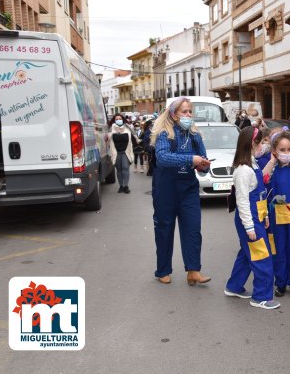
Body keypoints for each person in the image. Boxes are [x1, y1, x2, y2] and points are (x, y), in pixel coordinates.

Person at [150, 97, 212, 286]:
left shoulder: (195, 135)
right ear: (174, 114)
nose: (188, 115)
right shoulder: (164, 134)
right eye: (184, 112)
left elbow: (203, 163)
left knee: (193, 229)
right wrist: (191, 159)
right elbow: (162, 158)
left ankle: (193, 270)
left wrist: (203, 165)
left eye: (190, 112)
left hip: (188, 189)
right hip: (165, 189)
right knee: (164, 229)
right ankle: (163, 270)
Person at [225, 126, 280, 309]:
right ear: (252, 144)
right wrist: (250, 227)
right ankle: (261, 297)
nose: (264, 145)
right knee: (262, 257)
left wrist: (263, 216)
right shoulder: (243, 170)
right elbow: (242, 202)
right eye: (262, 142)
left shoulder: (252, 164)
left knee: (246, 254)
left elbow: (259, 191)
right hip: (249, 220)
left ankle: (234, 286)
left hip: (256, 218)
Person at [263, 131, 290, 298]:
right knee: (278, 250)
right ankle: (280, 283)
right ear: (275, 150)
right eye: (282, 149)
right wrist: (272, 161)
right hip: (276, 216)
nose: (286, 153)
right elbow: (262, 180)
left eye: (289, 149)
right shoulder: (271, 168)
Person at [109, 113, 135, 193]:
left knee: (125, 168)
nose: (118, 120)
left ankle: (126, 186)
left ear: (122, 120)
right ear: (114, 120)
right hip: (116, 153)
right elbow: (107, 140)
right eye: (116, 119)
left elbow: (133, 138)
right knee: (119, 170)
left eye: (119, 119)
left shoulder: (128, 128)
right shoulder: (111, 129)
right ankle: (121, 186)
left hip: (125, 152)